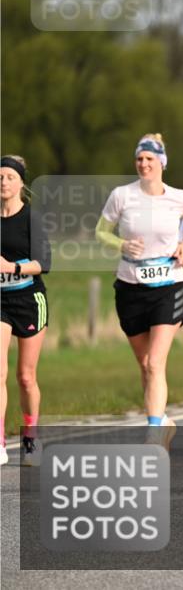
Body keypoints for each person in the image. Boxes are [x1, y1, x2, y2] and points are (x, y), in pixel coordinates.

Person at [96, 135, 183, 448]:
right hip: (130, 285)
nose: (143, 164)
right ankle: (162, 419)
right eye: (139, 159)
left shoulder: (179, 197)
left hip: (170, 284)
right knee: (145, 365)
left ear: (162, 163)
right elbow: (101, 232)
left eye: (150, 159)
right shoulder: (121, 196)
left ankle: (154, 434)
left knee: (156, 363)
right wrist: (122, 244)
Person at [1, 156, 51, 467]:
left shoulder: (32, 218)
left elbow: (44, 264)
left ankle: (31, 435)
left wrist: (11, 267)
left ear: (21, 183)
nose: (3, 181)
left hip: (30, 300)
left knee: (25, 376)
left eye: (9, 176)